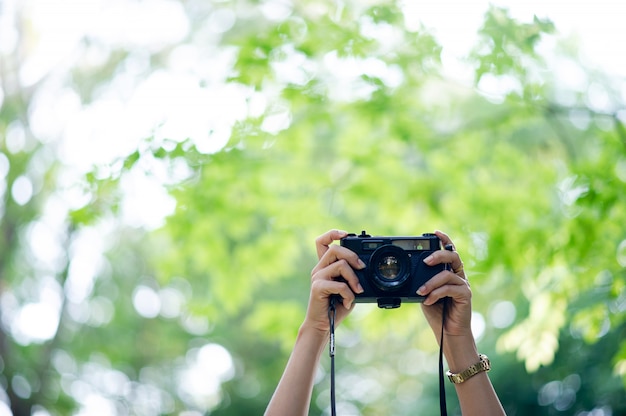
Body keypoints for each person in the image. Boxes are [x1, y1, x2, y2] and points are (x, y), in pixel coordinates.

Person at [265, 229, 506, 416]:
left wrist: (457, 338)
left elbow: (457, 335)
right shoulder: (318, 324)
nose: (390, 267)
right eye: (382, 262)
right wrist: (316, 327)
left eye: (398, 261)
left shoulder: (455, 334)